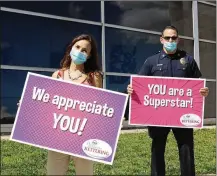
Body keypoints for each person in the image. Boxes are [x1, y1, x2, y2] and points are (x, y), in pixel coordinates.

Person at [127, 26, 209, 176]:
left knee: (186, 150)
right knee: (157, 149)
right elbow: (139, 84)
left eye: (173, 38)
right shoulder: (151, 61)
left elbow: (197, 85)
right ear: (161, 40)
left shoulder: (188, 60)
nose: (170, 40)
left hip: (183, 114)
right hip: (158, 115)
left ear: (178, 39)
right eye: (167, 38)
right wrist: (132, 89)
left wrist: (203, 91)